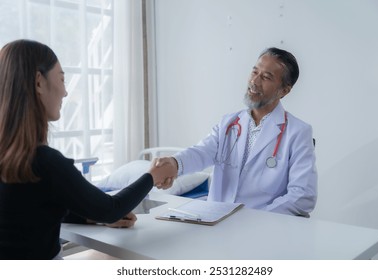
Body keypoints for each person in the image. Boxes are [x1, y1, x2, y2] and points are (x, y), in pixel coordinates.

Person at [0, 39, 175, 260]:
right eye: (62, 79)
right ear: (38, 82)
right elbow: (111, 208)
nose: (65, 92)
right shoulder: (45, 162)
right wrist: (153, 175)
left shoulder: (14, 158)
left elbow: (31, 211)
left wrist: (90, 219)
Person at [156, 47, 317, 217]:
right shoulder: (229, 123)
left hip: (263, 225)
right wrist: (174, 164)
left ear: (284, 90)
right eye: (254, 72)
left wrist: (259, 218)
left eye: (266, 77)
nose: (254, 81)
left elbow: (302, 196)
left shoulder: (298, 132)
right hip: (217, 221)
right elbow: (202, 152)